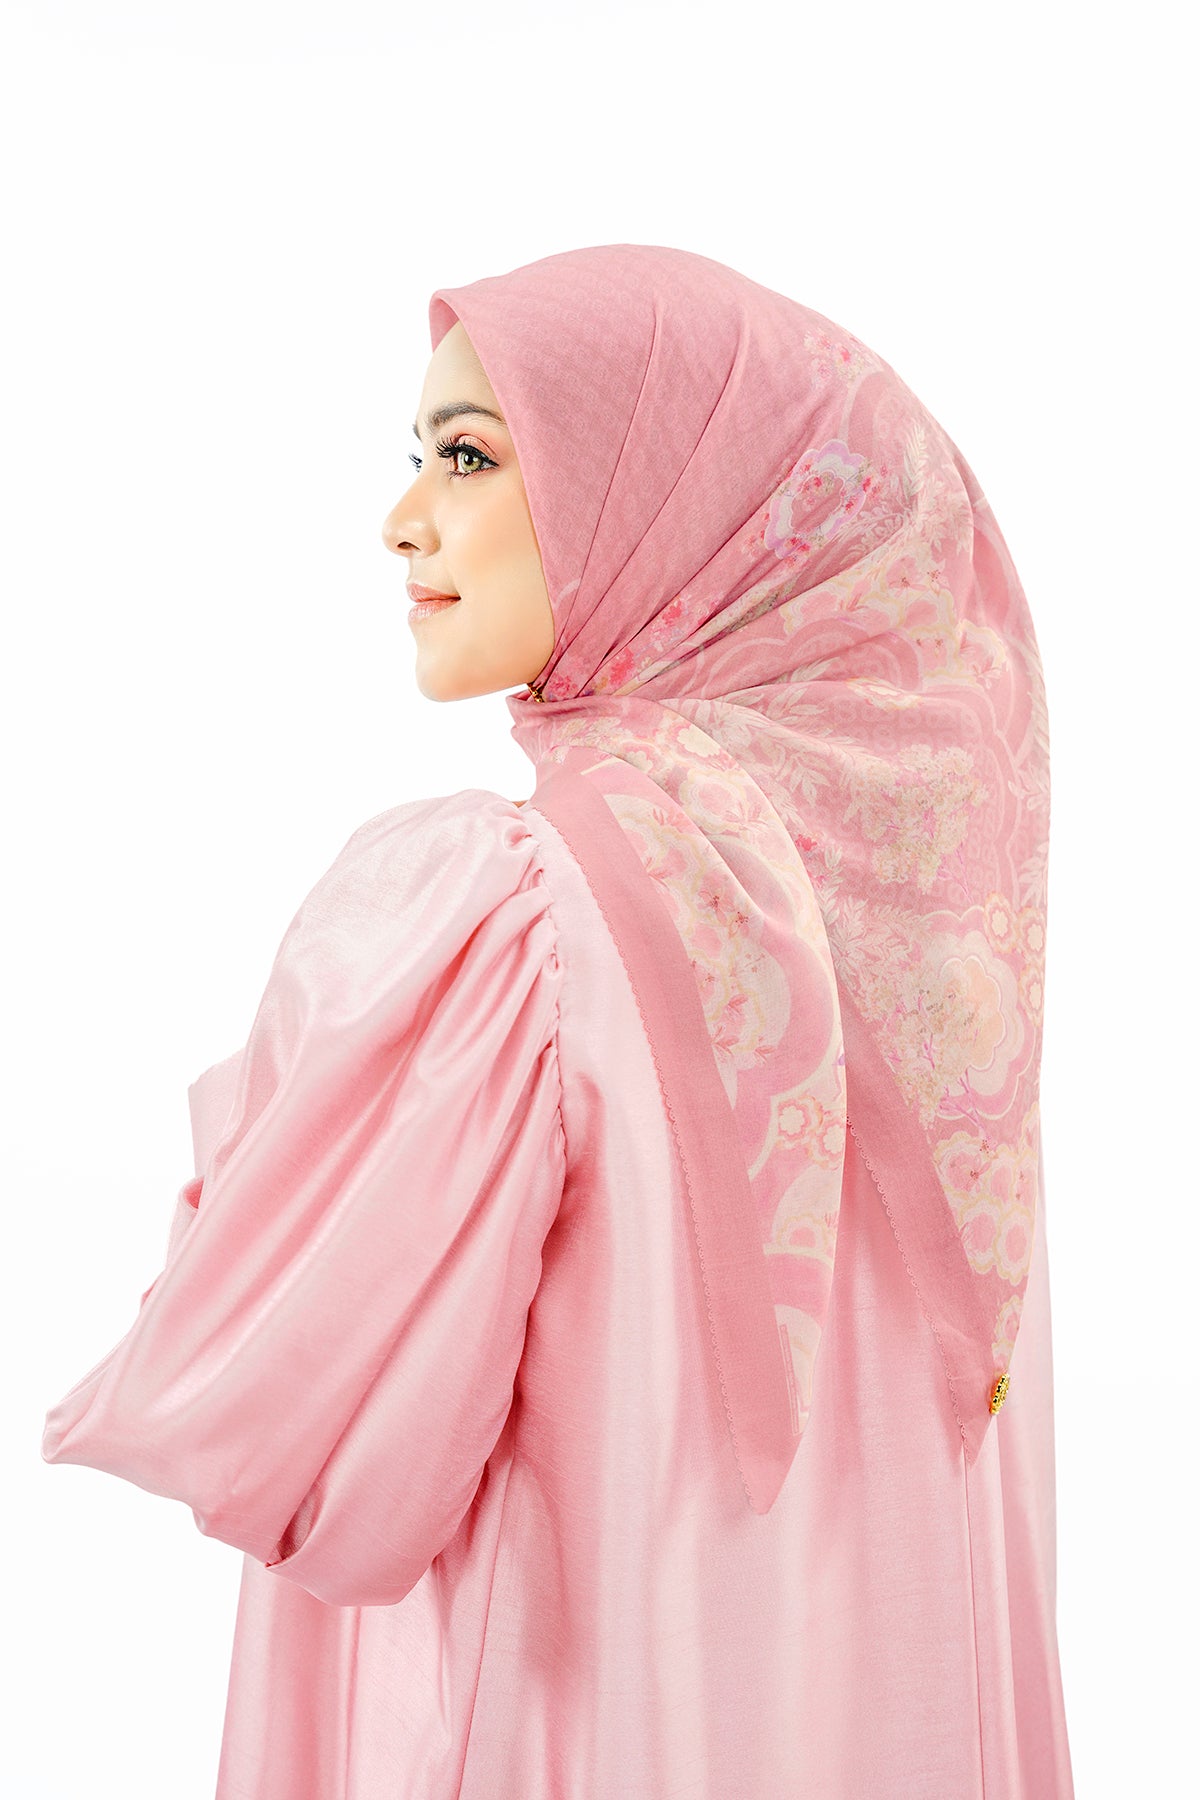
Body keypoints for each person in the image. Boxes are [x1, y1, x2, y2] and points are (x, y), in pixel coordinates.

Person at [42, 243, 1074, 1797]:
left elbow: (291, 1440)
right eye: (418, 458)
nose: (404, 520)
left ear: (665, 509)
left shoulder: (510, 922)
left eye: (468, 457)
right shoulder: (951, 995)